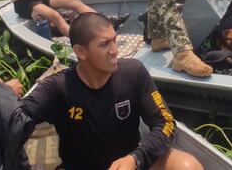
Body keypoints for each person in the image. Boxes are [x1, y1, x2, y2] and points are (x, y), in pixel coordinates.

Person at [21, 12, 203, 170]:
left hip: (129, 163)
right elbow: (15, 117)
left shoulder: (134, 73)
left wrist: (136, 158)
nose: (115, 50)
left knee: (187, 165)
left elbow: (166, 123)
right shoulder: (58, 87)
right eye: (104, 44)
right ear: (81, 52)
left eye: (114, 40)